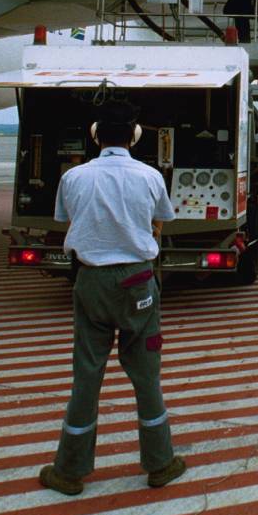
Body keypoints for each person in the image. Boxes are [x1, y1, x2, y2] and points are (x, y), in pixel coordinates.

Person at [39, 100, 185, 495]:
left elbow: (65, 219)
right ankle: (160, 463)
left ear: (96, 136)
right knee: (146, 374)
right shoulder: (150, 176)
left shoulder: (74, 177)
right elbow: (159, 223)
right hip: (138, 282)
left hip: (90, 281)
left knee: (87, 375)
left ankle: (69, 471)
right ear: (134, 137)